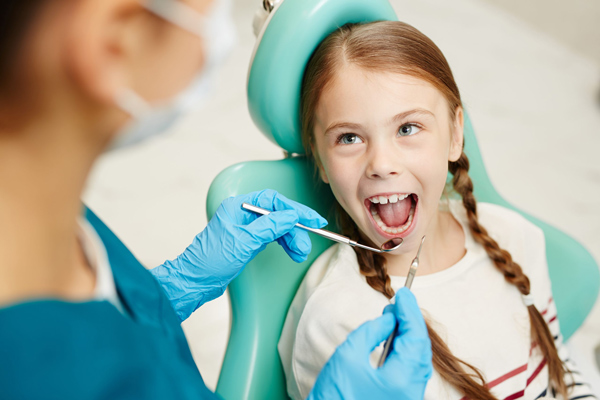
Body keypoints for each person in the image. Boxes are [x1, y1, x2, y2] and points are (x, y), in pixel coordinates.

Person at [0, 1, 433, 399]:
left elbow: (95, 333)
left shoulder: (49, 220)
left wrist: (169, 289)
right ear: (115, 35)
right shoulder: (43, 375)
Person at [278, 21, 596, 400]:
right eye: (349, 137)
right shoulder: (336, 321)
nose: (381, 163)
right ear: (320, 163)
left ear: (455, 134)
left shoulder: (517, 239)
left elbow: (559, 372)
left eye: (408, 128)